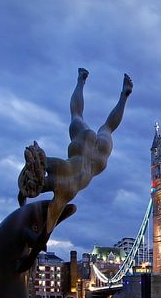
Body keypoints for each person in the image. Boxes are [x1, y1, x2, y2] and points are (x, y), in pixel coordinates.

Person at [16, 68, 133, 270]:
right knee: (84, 117)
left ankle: (113, 92)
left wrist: (27, 260)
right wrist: (23, 195)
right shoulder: (57, 168)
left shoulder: (64, 192)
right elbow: (32, 175)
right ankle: (91, 83)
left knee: (101, 125)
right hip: (91, 152)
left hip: (92, 157)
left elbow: (45, 232)